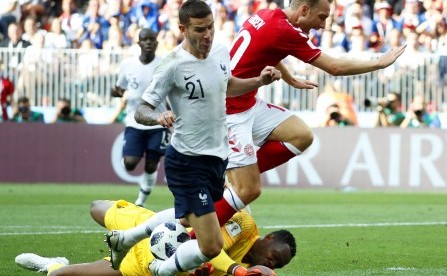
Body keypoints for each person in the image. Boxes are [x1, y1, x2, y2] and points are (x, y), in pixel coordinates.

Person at [105, 1, 282, 275]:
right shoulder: (172, 65)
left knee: (187, 219)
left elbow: (227, 85)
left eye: (211, 27)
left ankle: (126, 238)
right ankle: (159, 270)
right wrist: (157, 117)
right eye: (200, 29)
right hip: (187, 162)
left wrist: (259, 81)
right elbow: (142, 108)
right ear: (183, 29)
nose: (208, 35)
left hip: (217, 159)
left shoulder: (221, 51)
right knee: (211, 245)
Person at [206, 0, 407, 235]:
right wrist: (379, 63)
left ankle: (233, 174)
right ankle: (192, 237)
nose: (322, 25)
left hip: (246, 102)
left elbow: (271, 49)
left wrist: (290, 78)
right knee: (249, 190)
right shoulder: (286, 30)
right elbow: (335, 67)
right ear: (303, 10)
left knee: (301, 135)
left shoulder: (268, 15)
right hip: (229, 111)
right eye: (321, 17)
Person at [15, 199, 295, 276]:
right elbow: (208, 246)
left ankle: (53, 263)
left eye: (277, 266)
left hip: (150, 266)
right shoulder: (243, 225)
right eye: (276, 257)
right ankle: (125, 237)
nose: (272, 263)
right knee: (96, 207)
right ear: (269, 238)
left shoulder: (249, 272)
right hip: (160, 230)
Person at [110, 28, 170, 207]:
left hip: (157, 121)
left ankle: (141, 202)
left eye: (152, 39)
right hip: (134, 120)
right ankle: (133, 155)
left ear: (157, 43)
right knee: (130, 163)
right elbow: (119, 89)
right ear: (139, 43)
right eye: (145, 39)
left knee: (151, 164)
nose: (149, 42)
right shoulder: (128, 65)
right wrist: (115, 92)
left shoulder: (164, 65)